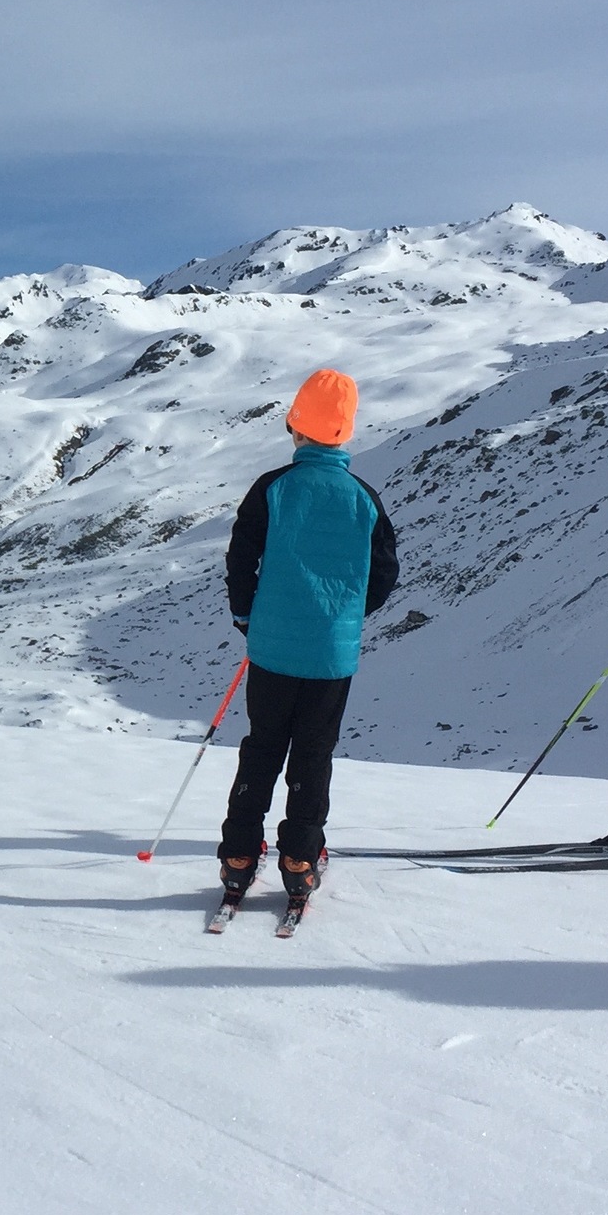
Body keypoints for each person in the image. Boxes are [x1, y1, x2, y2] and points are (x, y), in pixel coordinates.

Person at [217, 368, 400, 913]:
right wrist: (344, 615)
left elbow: (240, 557)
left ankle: (239, 859)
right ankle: (300, 861)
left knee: (261, 748)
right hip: (331, 654)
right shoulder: (364, 497)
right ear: (345, 433)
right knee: (314, 755)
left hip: (271, 648)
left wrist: (247, 616)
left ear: (295, 426)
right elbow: (385, 572)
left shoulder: (272, 488)